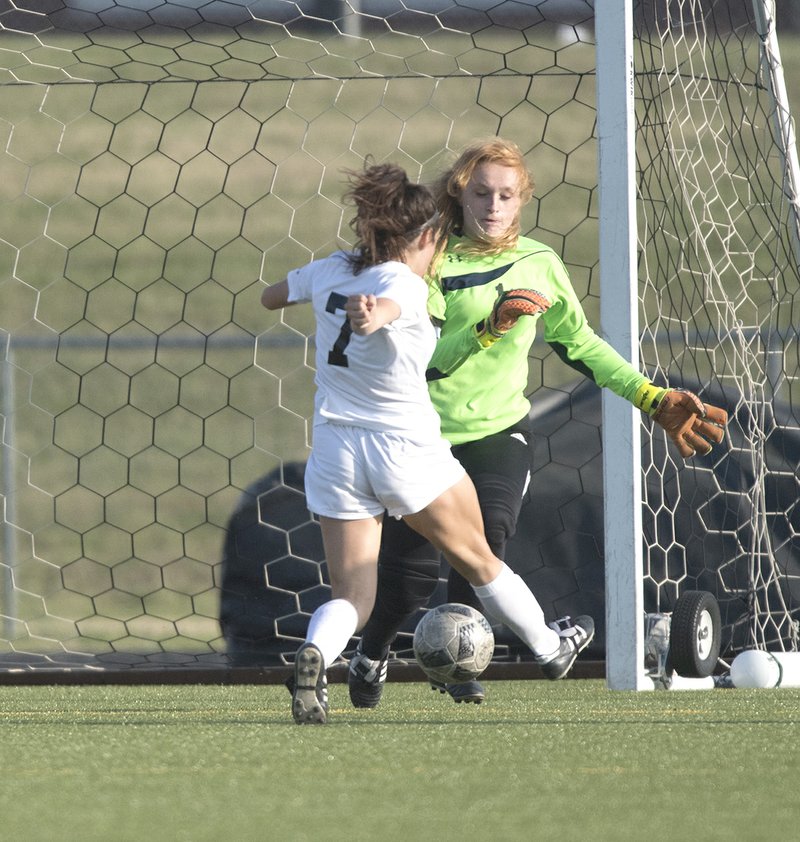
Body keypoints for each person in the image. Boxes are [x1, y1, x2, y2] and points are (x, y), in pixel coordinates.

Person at [348, 138, 729, 707]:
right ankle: (371, 654)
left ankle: (458, 664)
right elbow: (423, 361)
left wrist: (650, 398)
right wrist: (490, 327)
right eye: (481, 194)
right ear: (460, 195)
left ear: (523, 199)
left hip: (499, 432)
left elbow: (581, 345)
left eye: (505, 195)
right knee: (407, 577)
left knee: (488, 535)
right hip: (421, 436)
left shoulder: (539, 263)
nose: (493, 206)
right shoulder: (430, 261)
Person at [261, 161, 596, 724]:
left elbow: (273, 297)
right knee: (479, 557)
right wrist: (373, 314)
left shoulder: (330, 270)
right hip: (404, 450)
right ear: (424, 237)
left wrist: (328, 290)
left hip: (336, 451)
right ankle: (548, 647)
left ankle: (316, 653)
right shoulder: (405, 285)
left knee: (353, 595)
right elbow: (388, 306)